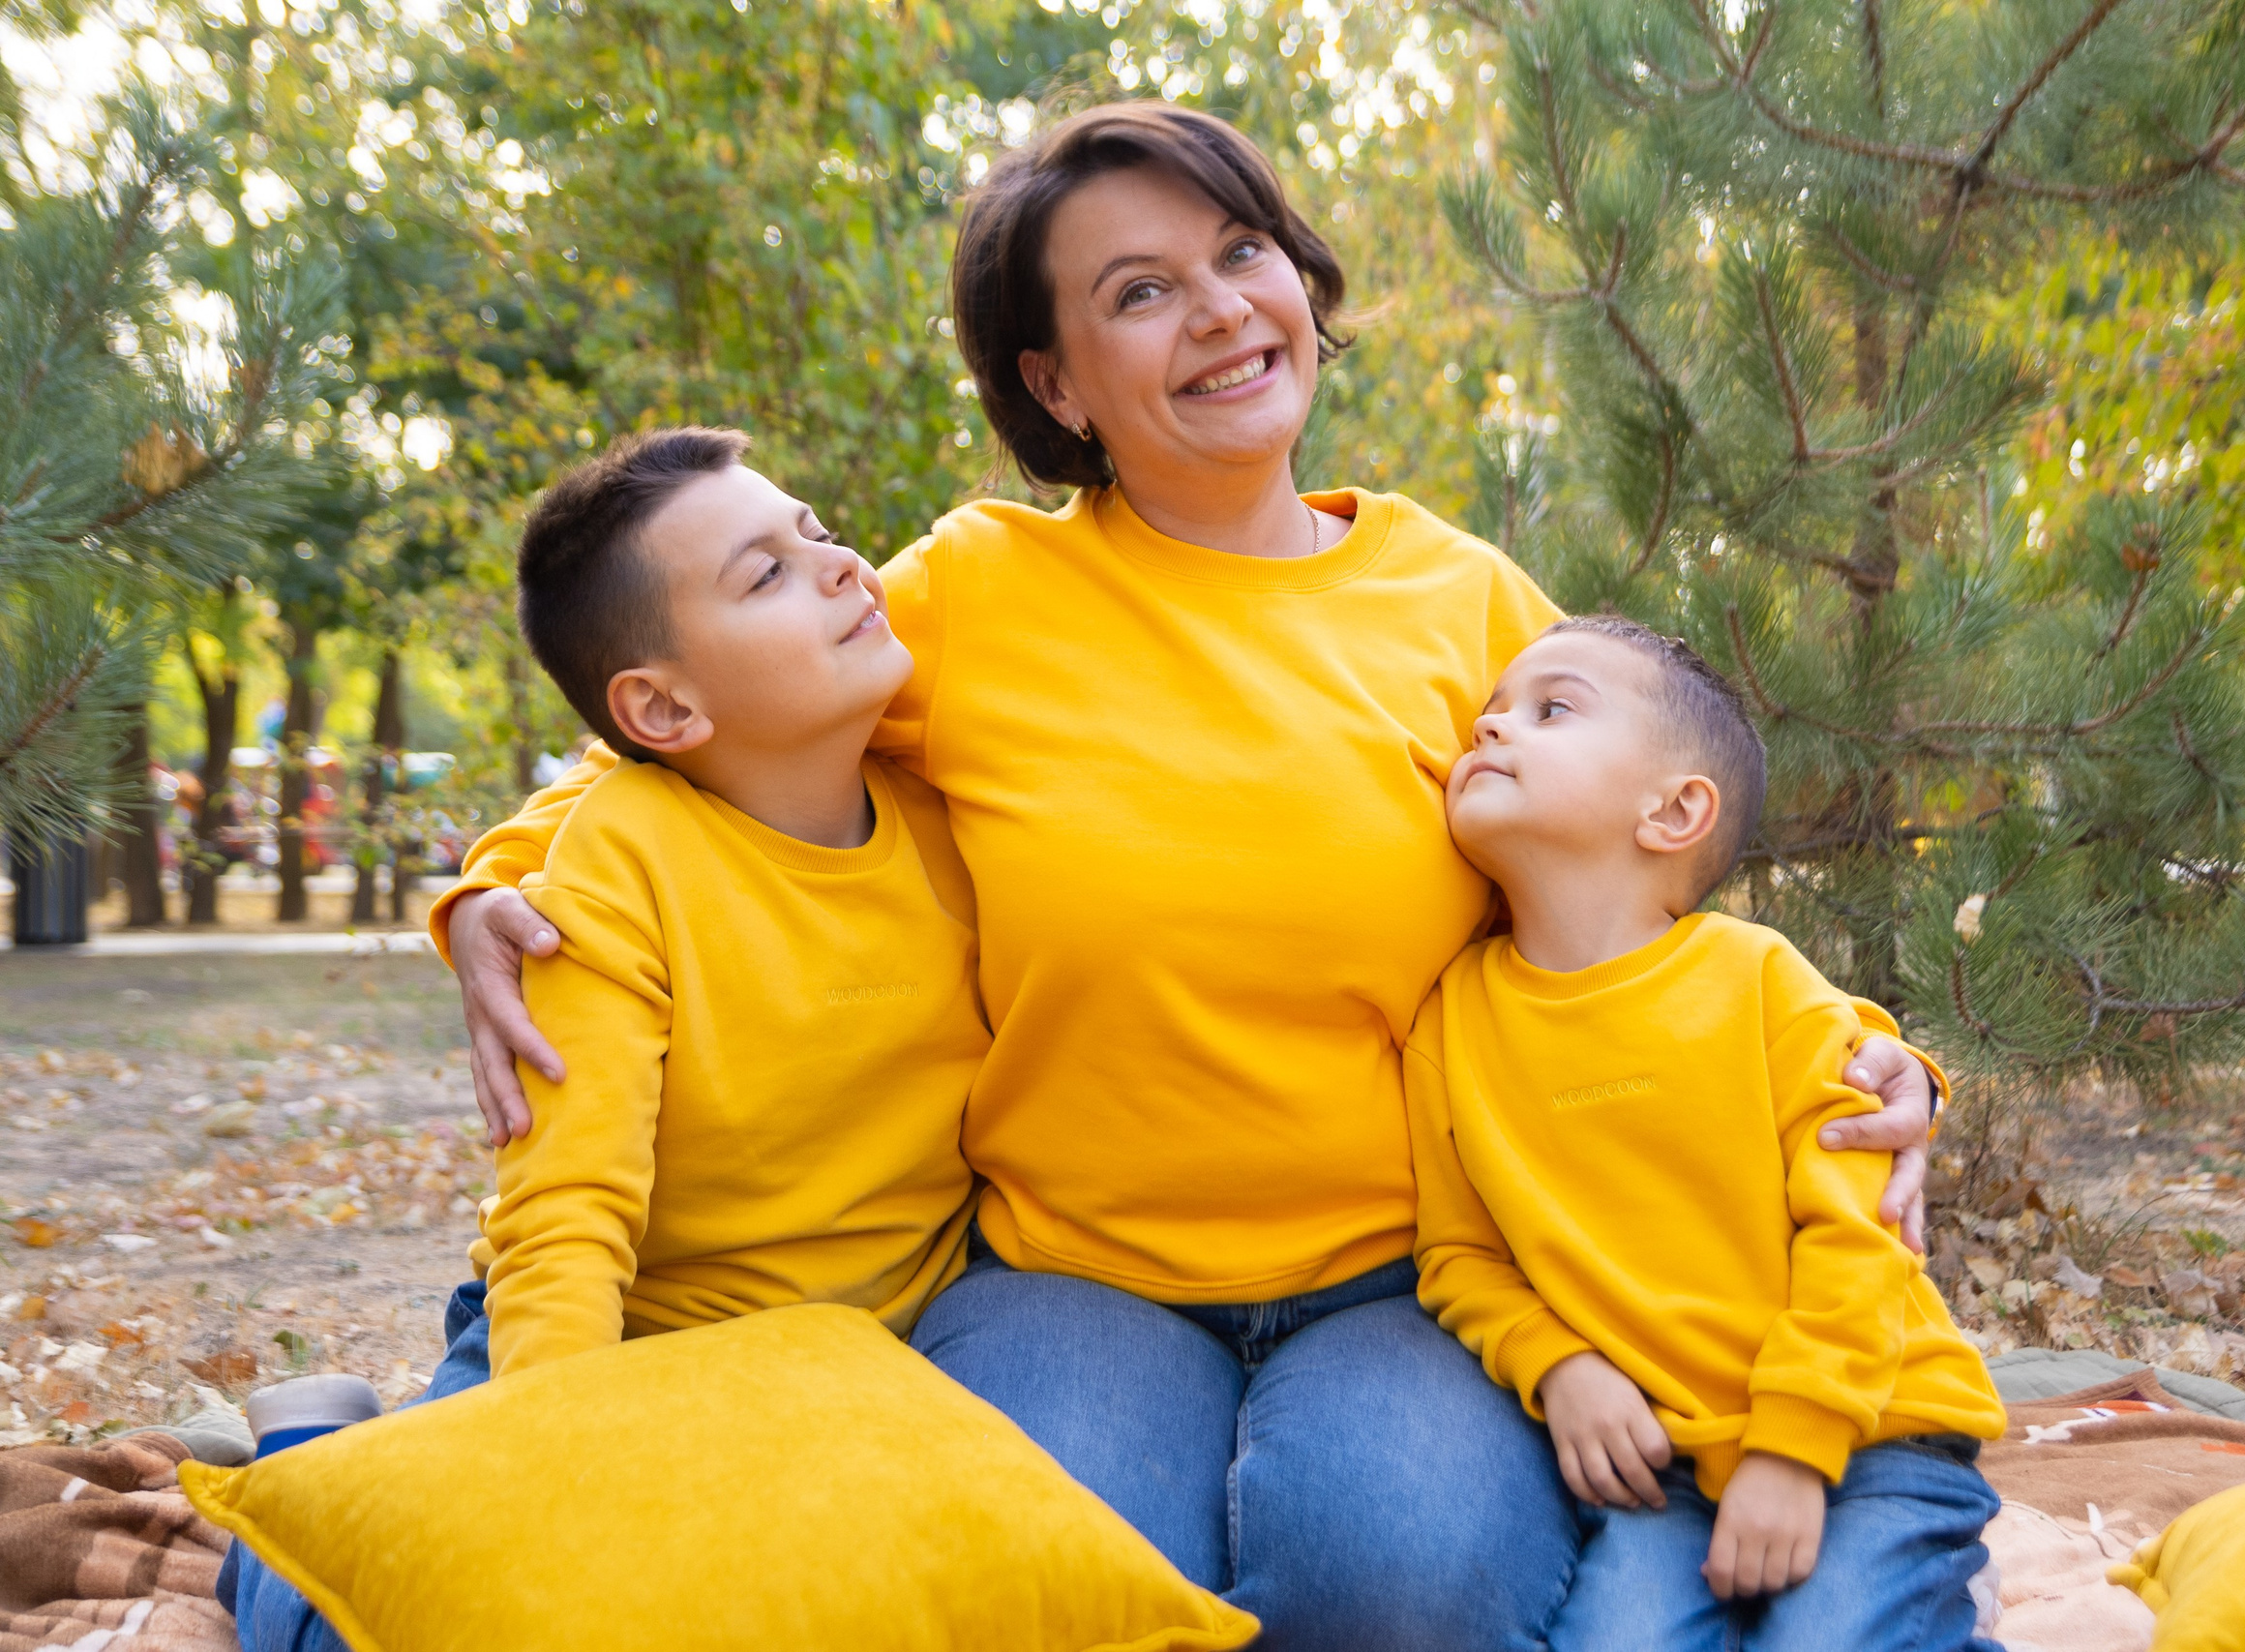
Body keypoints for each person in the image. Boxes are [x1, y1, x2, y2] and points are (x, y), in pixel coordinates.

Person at [436, 103, 1946, 1650]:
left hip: (1411, 1274)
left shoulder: (1461, 602)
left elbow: (1644, 858)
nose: (1222, 307)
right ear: (1056, 383)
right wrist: (494, 882)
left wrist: (1871, 1054)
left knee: (1403, 1592)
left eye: (1243, 251)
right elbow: (706, 731)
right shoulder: (977, 593)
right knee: (1061, 1595)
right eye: (1139, 291)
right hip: (1068, 1270)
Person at [223, 427, 990, 1652]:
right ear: (663, 704)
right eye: (767, 575)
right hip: (615, 1341)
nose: (845, 568)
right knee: (387, 1625)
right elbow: (564, 1223)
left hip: (863, 1364)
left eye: (819, 535)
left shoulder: (955, 813)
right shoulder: (613, 874)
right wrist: (565, 1477)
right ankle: (308, 1450)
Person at [1408, 616, 2006, 1652]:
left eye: (1548, 710)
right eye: (1488, 714)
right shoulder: (1451, 1020)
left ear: (1675, 810)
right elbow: (1459, 1254)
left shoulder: (1761, 980)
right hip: (1667, 1465)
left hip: (1870, 1429)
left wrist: (1793, 1449)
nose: (1490, 728)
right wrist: (1558, 1365)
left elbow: (1860, 1228)